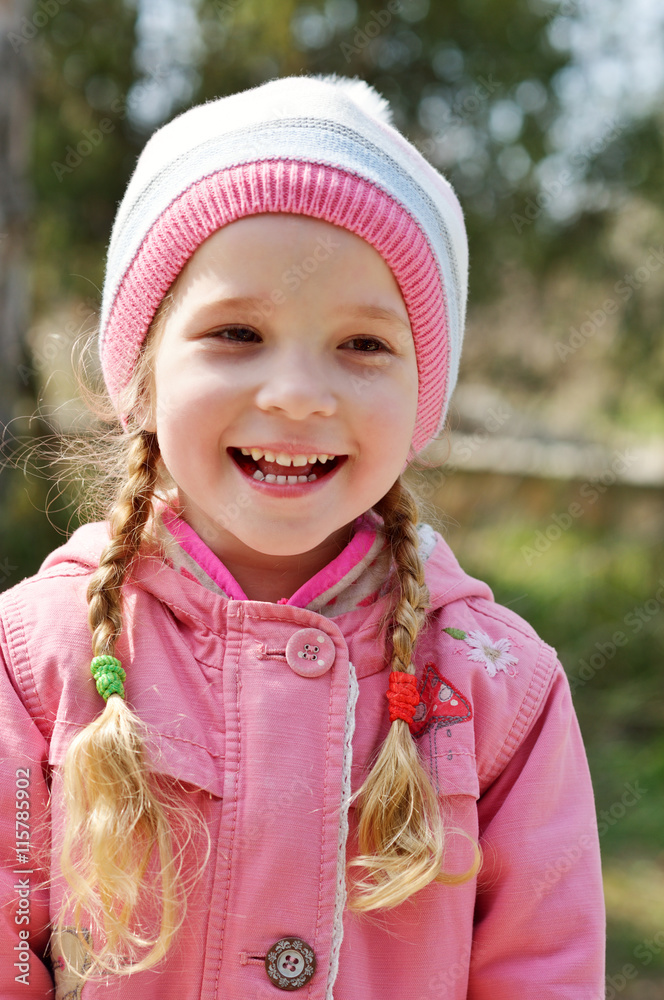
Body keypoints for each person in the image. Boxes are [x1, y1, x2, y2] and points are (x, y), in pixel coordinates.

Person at [0, 74, 605, 999]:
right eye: (237, 331)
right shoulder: (36, 663)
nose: (297, 394)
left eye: (363, 346)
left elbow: (546, 970)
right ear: (145, 377)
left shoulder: (500, 690)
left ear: (421, 402)